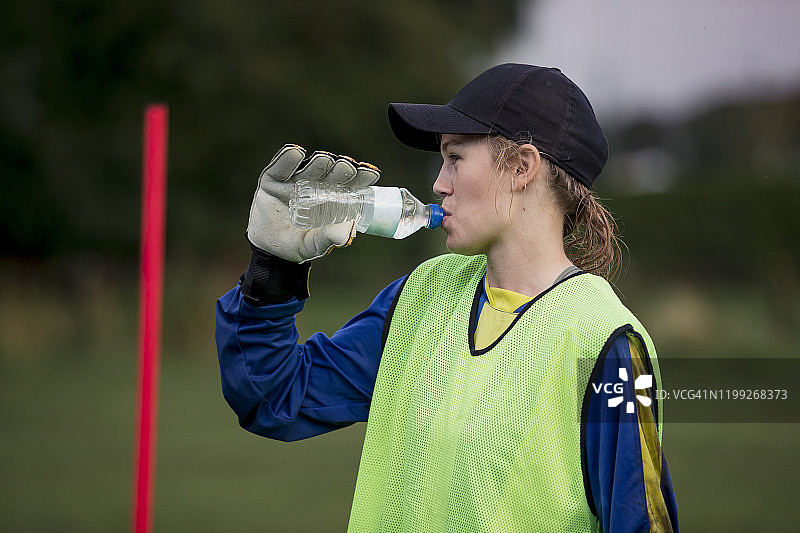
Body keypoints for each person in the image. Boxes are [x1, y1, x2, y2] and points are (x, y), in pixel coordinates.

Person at [216, 63, 678, 532]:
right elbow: (273, 397)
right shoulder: (422, 296)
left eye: (455, 158)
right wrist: (273, 269)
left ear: (522, 167)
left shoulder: (604, 340)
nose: (439, 183)